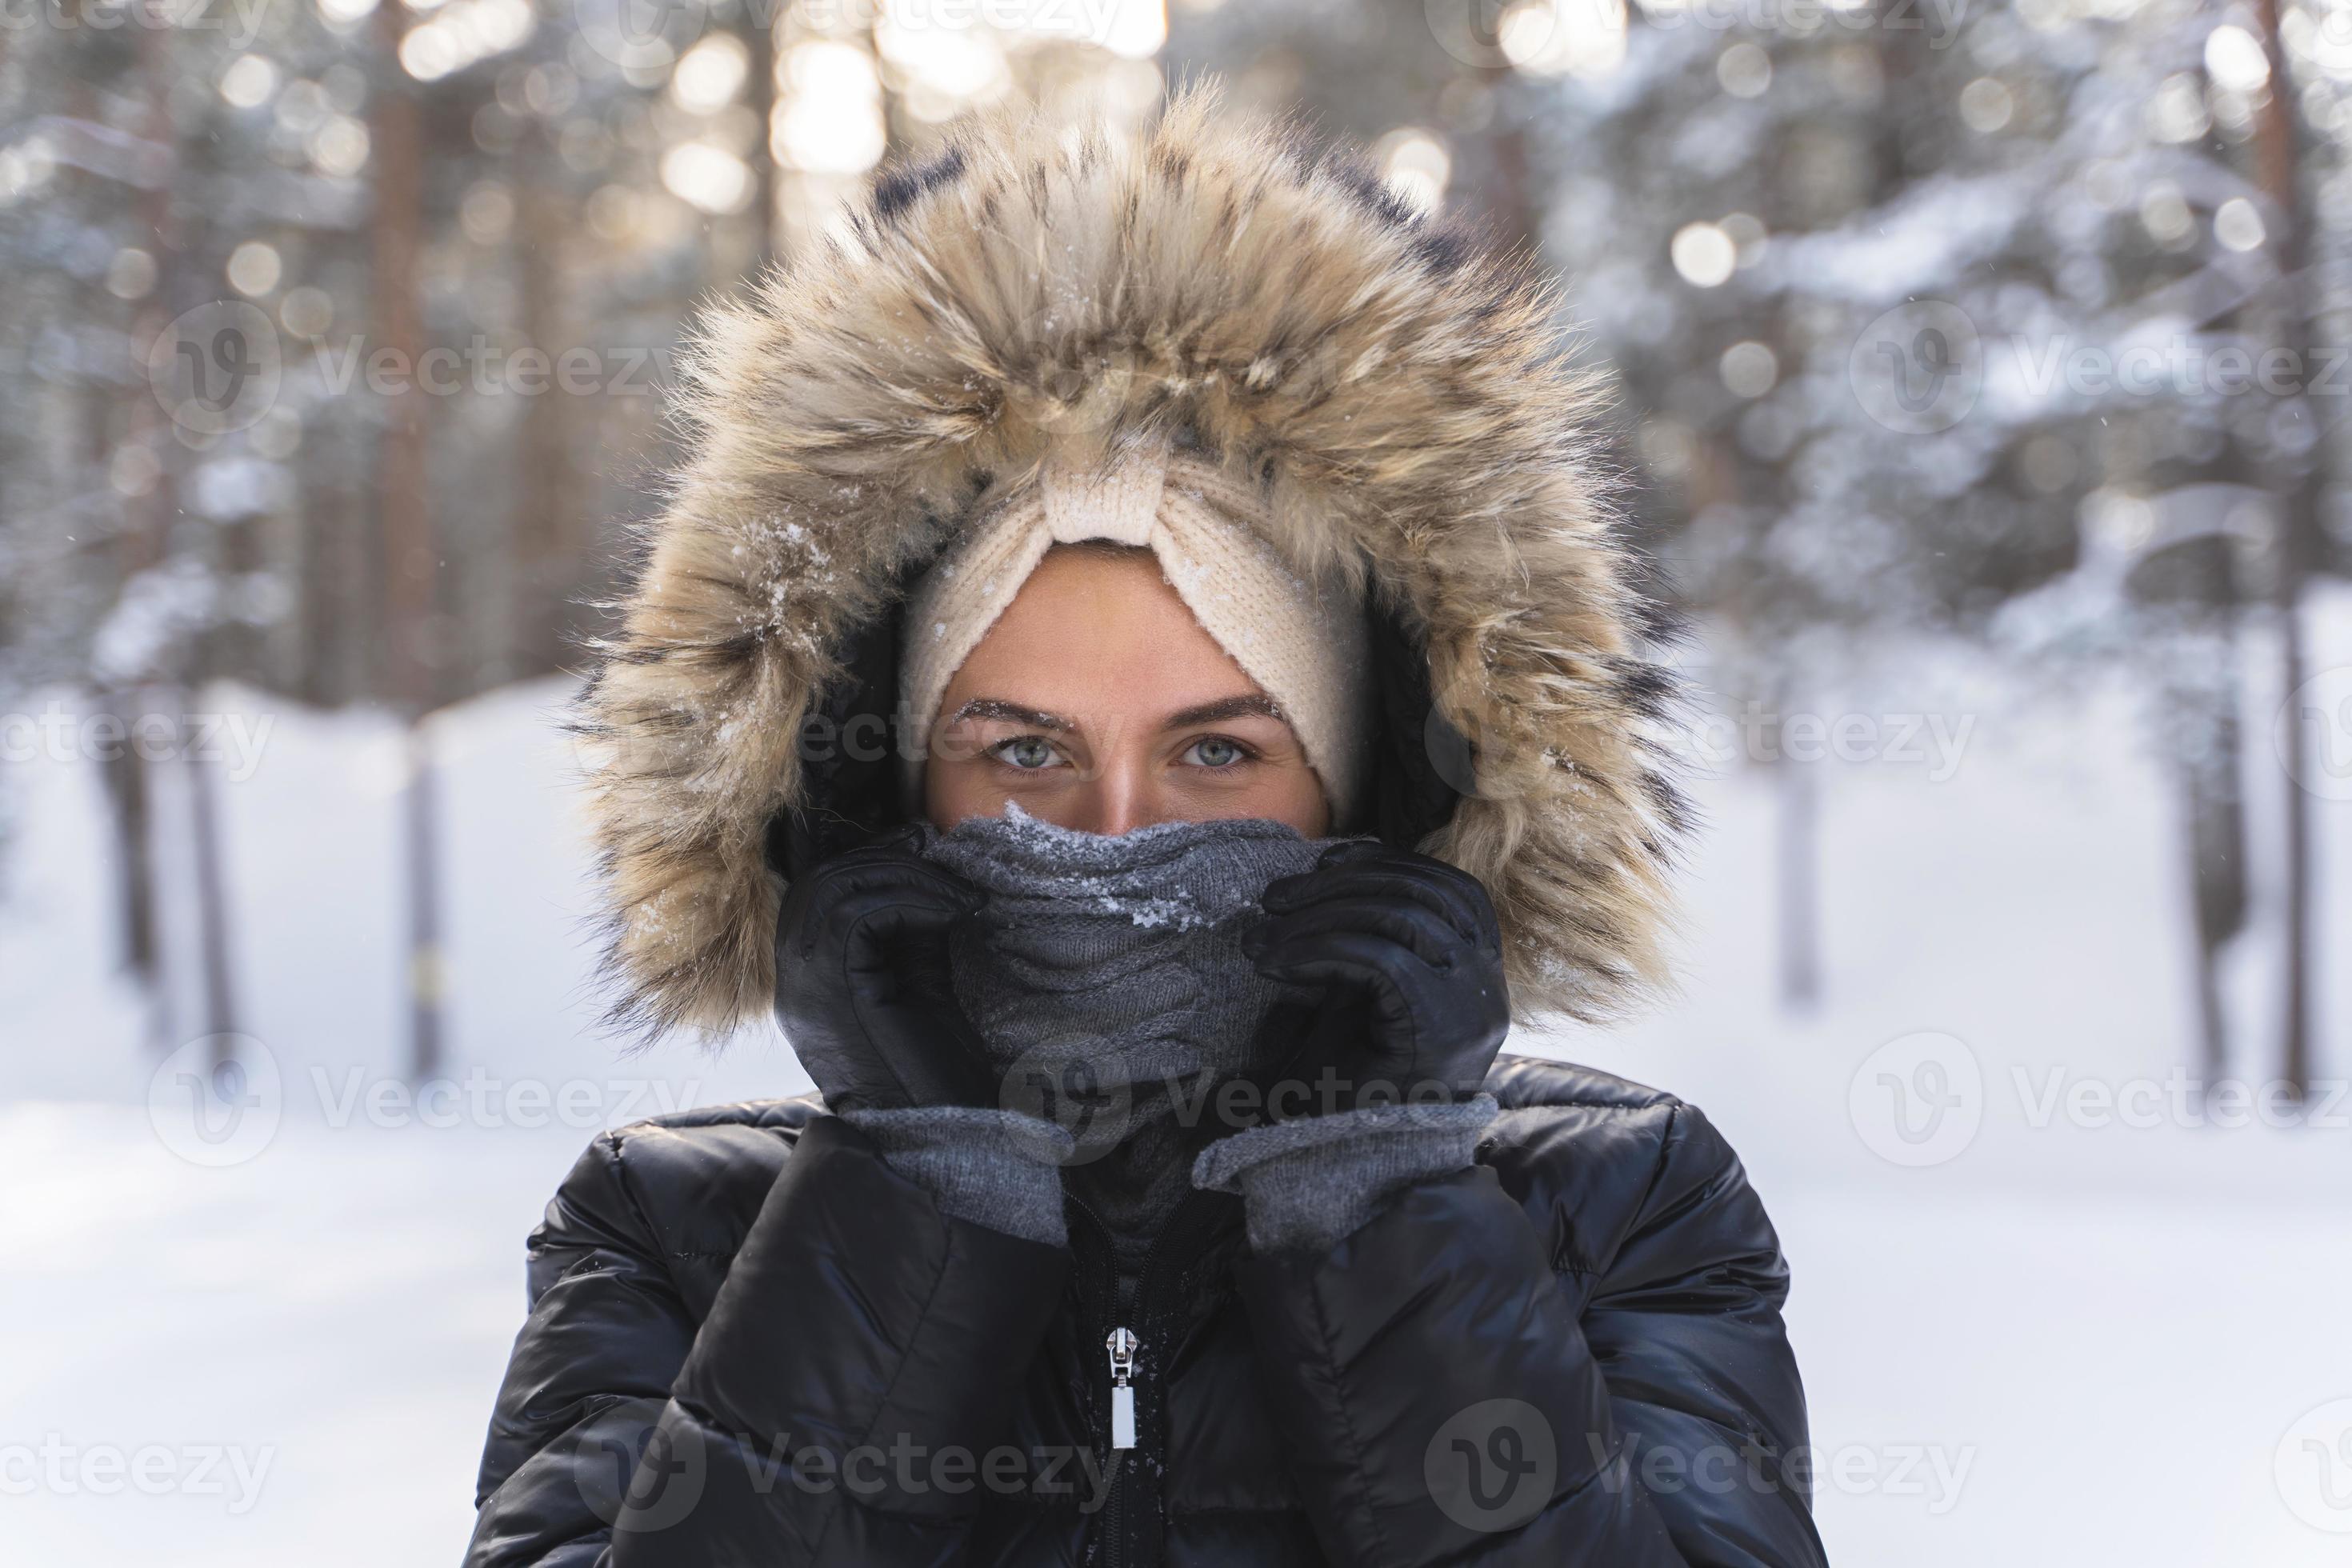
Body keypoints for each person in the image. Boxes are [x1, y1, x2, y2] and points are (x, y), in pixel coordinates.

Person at [465, 86, 1826, 1568]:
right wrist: (911, 1203)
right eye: (1026, 748)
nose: (1114, 835)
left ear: (1362, 791)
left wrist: (1378, 1206)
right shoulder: (670, 1230)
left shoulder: (1616, 1203)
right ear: (892, 780)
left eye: (1220, 750)